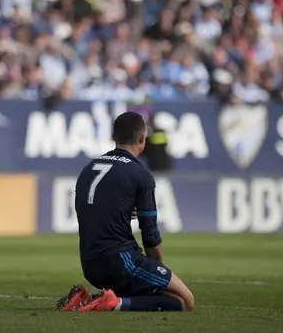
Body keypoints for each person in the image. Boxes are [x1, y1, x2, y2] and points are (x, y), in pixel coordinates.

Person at [55, 111, 194, 312]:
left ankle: (87, 298)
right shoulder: (140, 175)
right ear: (142, 139)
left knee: (168, 300)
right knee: (185, 301)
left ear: (113, 137)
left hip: (89, 264)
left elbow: (88, 210)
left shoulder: (89, 168)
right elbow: (151, 236)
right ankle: (114, 303)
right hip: (121, 262)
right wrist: (157, 271)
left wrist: (120, 210)